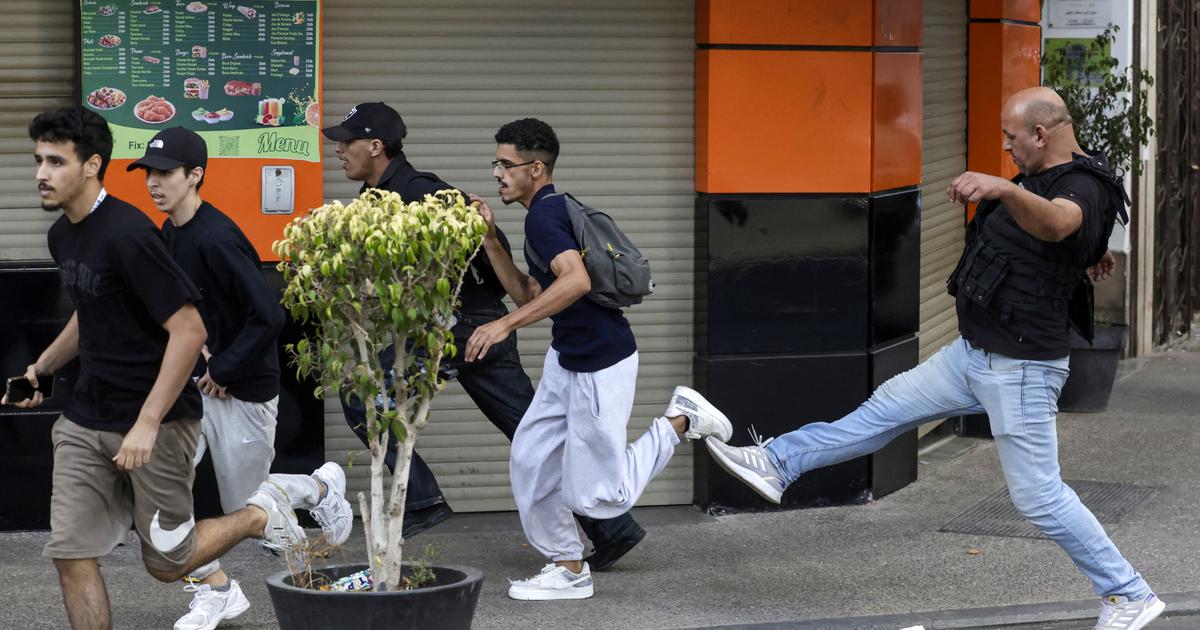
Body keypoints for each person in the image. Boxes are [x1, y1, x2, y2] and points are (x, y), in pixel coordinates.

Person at [703, 87, 1165, 630]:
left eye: (1012, 138)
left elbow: (1061, 222)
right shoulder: (1057, 173)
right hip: (973, 356)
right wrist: (1089, 251)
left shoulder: (1082, 184)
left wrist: (1001, 189)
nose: (1006, 148)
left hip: (1020, 369)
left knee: (1039, 497)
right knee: (881, 412)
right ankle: (778, 463)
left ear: (1041, 134)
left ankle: (1128, 593)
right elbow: (1068, 238)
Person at [7, 106, 350, 630]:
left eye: (55, 161)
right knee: (109, 544)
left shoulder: (182, 235)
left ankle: (291, 497)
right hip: (134, 402)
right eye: (37, 160)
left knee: (201, 533)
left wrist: (215, 376)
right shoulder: (117, 234)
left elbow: (243, 319)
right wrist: (44, 366)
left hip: (210, 400)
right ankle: (218, 590)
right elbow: (98, 311)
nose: (40, 173)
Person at [321, 102, 648, 570]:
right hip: (480, 329)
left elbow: (512, 267)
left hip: (461, 326)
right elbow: (495, 252)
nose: (338, 150)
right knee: (530, 435)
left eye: (346, 141)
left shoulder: (419, 193)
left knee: (361, 394)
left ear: (375, 146)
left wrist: (491, 316)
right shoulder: (378, 198)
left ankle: (419, 501)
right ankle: (613, 528)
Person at [466, 117, 733, 601]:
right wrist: (489, 238)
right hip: (567, 359)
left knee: (599, 495)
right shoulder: (543, 214)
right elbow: (532, 291)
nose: (497, 173)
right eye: (496, 163)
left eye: (507, 165)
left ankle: (680, 421)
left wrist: (503, 325)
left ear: (537, 168)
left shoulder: (545, 216)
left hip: (600, 362)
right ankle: (568, 567)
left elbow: (577, 282)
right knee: (530, 458)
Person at [126, 127, 347, 630]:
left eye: (165, 173)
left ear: (195, 175)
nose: (154, 183)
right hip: (198, 387)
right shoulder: (171, 232)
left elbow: (268, 314)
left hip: (241, 388)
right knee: (163, 486)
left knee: (245, 509)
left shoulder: (218, 237)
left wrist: (224, 367)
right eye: (149, 173)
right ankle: (216, 589)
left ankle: (317, 488)